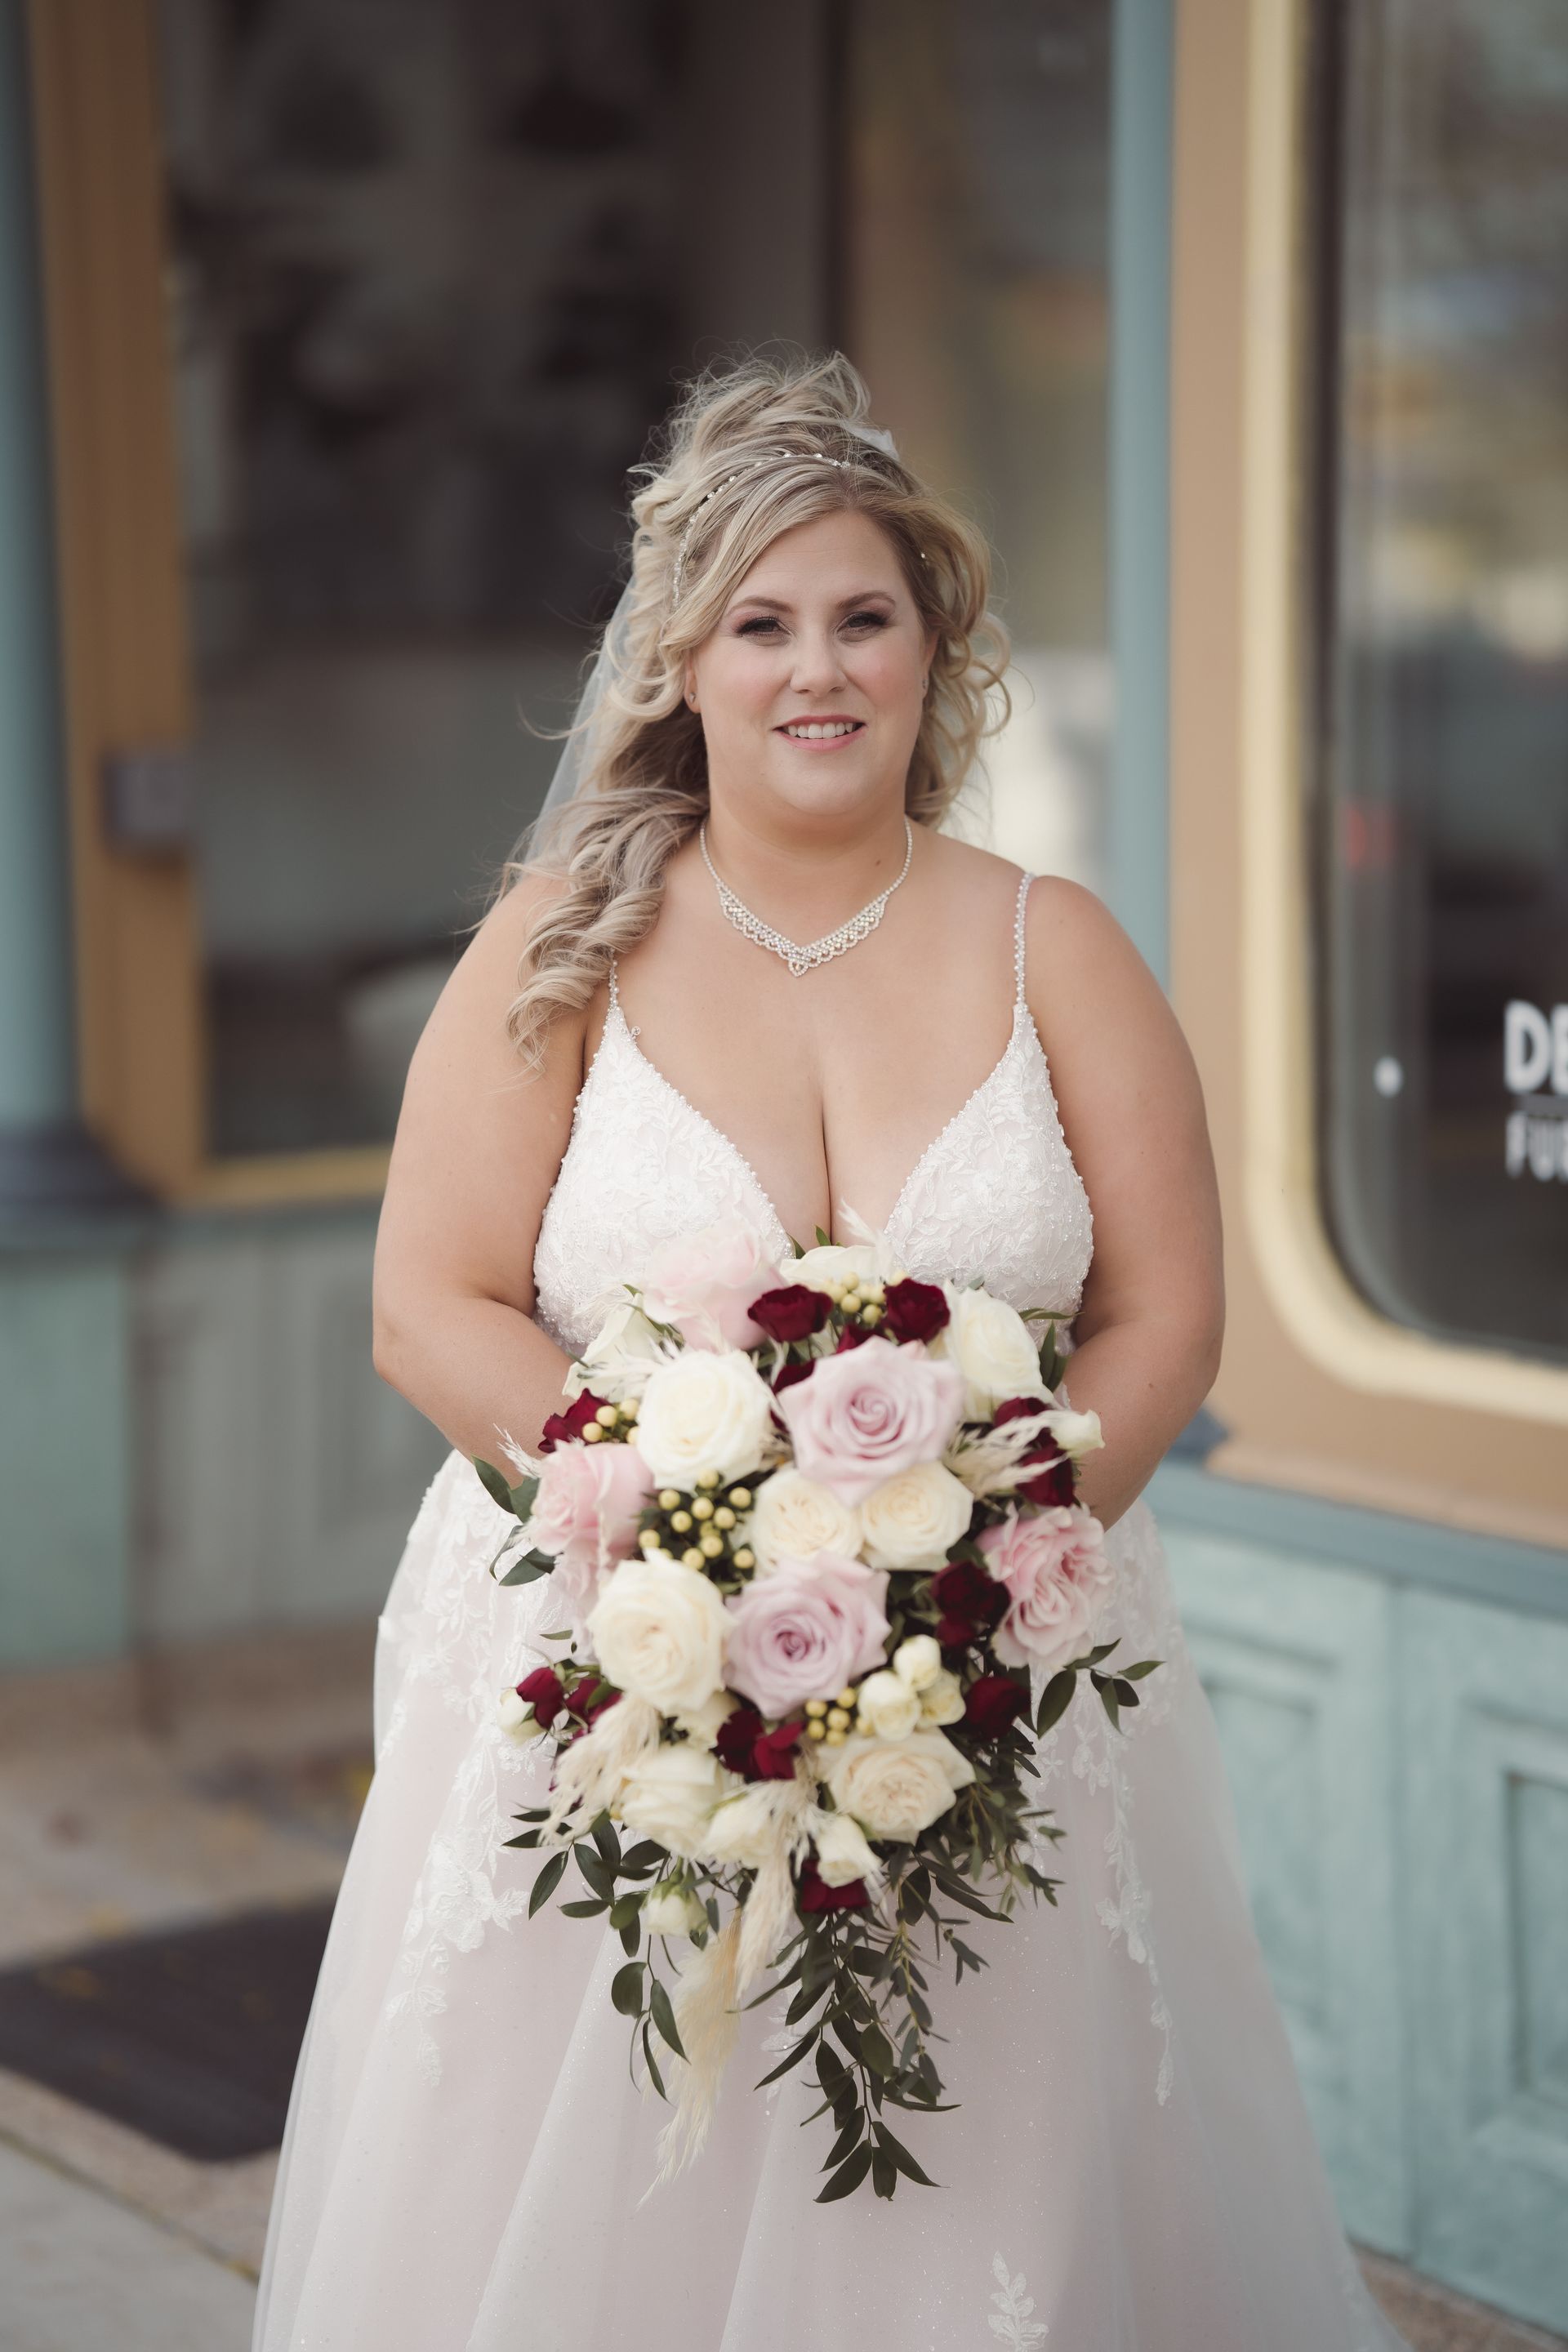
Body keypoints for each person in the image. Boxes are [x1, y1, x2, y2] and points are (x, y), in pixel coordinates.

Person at [252, 352, 1409, 2350]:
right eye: (761, 624)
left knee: (979, 2170)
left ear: (931, 648)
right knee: (614, 2164)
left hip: (997, 1679)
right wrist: (691, 1542)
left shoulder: (1056, 945)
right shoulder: (561, 944)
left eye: (863, 618)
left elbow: (1168, 1311)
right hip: (604, 1659)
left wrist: (970, 1575)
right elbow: (425, 1303)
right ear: (681, 663)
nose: (817, 669)